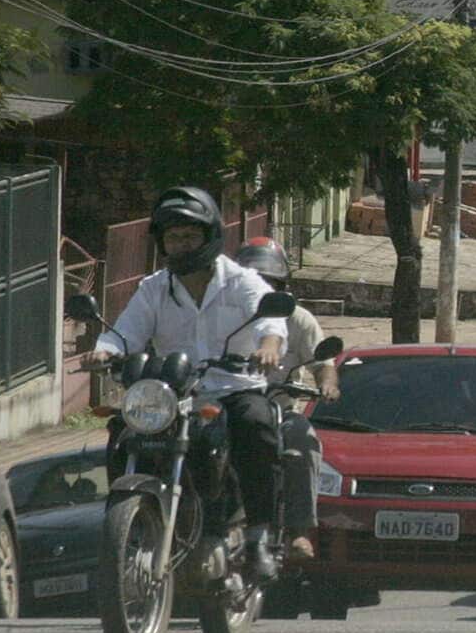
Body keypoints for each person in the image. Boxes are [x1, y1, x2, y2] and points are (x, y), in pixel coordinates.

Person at [91, 186, 287, 578]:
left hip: (234, 387)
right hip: (174, 396)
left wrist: (267, 346)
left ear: (210, 236)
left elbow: (270, 321)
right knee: (122, 434)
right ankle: (134, 524)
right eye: (173, 237)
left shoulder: (242, 281)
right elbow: (126, 331)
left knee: (256, 425)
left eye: (189, 236)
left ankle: (258, 535)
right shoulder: (153, 288)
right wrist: (105, 350)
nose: (180, 245)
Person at [236, 236, 337, 563]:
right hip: (231, 405)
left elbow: (324, 364)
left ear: (282, 285)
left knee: (303, 442)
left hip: (280, 408)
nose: (261, 287)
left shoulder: (300, 319)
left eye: (269, 281)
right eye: (253, 279)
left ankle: (299, 531)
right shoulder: (227, 315)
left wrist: (327, 385)